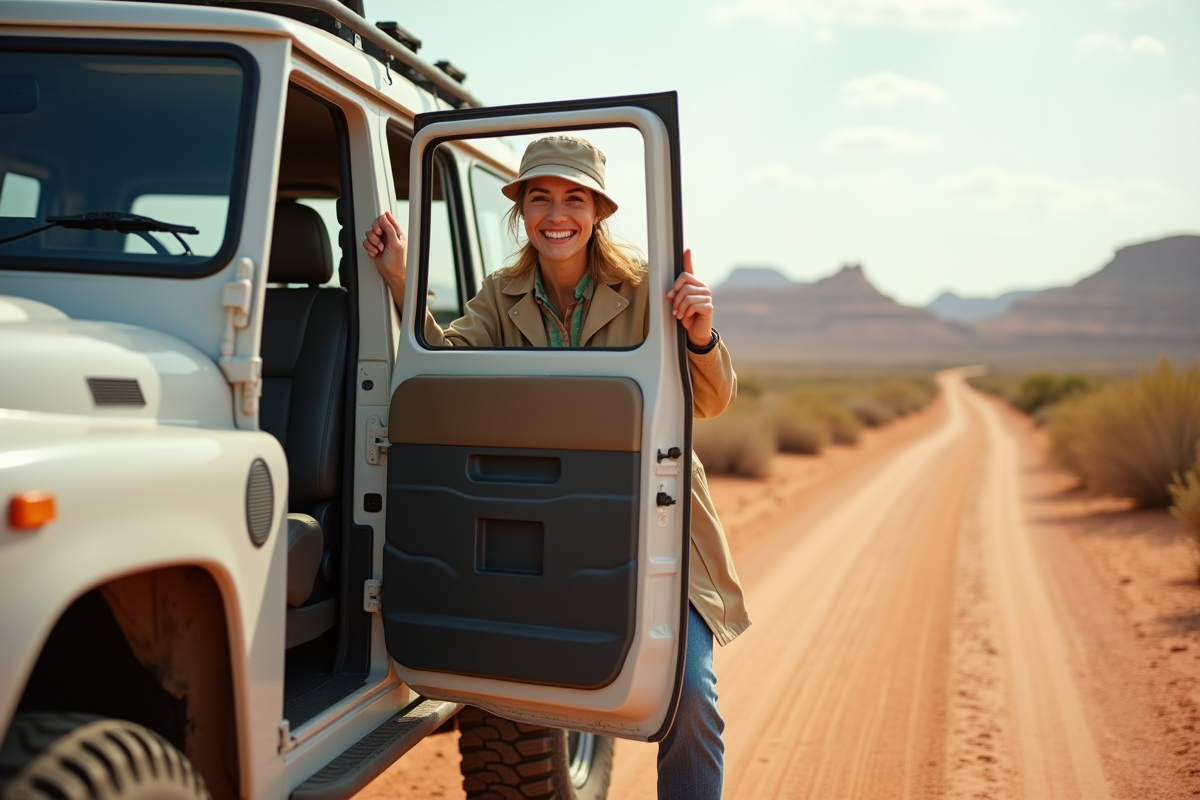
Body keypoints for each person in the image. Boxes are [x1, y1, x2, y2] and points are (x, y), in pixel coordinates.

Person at [364, 135, 751, 800]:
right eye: (540, 197)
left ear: (598, 210)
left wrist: (699, 333)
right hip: (549, 515)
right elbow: (448, 369)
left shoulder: (648, 290)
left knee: (688, 694)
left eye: (574, 198)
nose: (556, 214)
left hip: (649, 517)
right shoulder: (501, 292)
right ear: (520, 209)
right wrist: (403, 281)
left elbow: (711, 402)